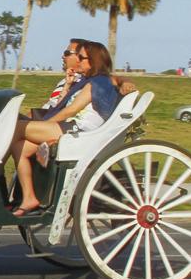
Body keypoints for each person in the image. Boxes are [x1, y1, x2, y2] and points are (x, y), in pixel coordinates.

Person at [8, 41, 120, 216]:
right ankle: (29, 197)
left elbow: (71, 109)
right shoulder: (87, 81)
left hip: (78, 131)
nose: (78, 61)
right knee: (18, 147)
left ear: (93, 61)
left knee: (15, 128)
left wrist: (45, 125)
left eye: (82, 58)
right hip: (71, 128)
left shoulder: (96, 83)